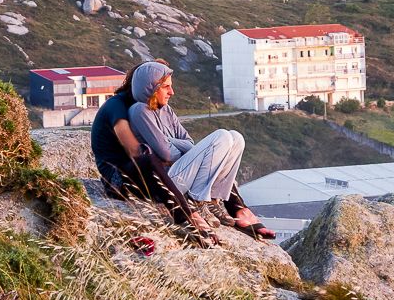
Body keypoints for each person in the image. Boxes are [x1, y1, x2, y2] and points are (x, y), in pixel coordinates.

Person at [126, 61, 275, 240]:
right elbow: (168, 155)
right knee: (221, 136)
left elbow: (189, 143)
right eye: (166, 87)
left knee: (236, 138)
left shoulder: (167, 110)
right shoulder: (139, 111)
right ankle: (197, 200)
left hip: (182, 171)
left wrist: (170, 141)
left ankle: (213, 199)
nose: (171, 92)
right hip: (169, 179)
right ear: (151, 88)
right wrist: (176, 146)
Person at [90, 60, 216, 244]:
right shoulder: (117, 106)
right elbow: (135, 151)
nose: (169, 91)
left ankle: (236, 209)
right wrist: (167, 151)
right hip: (118, 179)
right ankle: (187, 216)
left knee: (208, 153)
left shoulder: (151, 108)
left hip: (145, 176)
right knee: (148, 156)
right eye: (163, 85)